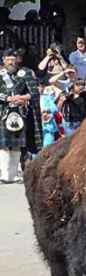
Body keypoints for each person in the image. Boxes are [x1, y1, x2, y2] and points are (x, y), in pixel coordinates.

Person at [0, 50, 38, 182]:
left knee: (17, 144)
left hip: (20, 112)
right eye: (8, 59)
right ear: (3, 60)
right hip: (3, 112)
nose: (11, 62)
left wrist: (23, 98)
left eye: (13, 59)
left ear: (17, 60)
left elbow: (33, 92)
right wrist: (9, 98)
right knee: (3, 144)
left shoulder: (25, 73)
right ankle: (5, 175)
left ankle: (15, 174)